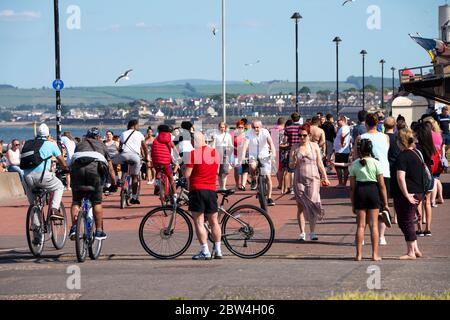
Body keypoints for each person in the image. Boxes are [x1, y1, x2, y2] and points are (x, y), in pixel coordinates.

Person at [69, 128, 117, 241]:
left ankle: (75, 228)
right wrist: (114, 183)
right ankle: (99, 231)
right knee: (96, 202)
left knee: (76, 201)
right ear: (98, 137)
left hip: (78, 171)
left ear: (87, 136)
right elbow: (110, 168)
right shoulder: (102, 145)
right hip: (94, 171)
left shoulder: (79, 144)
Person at [355, 113, 392, 246]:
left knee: (363, 208)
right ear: (378, 124)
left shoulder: (361, 137)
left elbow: (355, 155)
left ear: (366, 123)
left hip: (365, 173)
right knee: (381, 206)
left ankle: (362, 237)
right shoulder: (385, 137)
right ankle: (381, 237)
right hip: (383, 171)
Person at [289, 123, 330, 241]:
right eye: (299, 136)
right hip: (299, 179)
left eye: (304, 135)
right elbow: (290, 164)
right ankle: (302, 233)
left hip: (313, 179)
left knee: (313, 204)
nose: (301, 138)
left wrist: (325, 177)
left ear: (309, 135)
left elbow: (320, 163)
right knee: (300, 206)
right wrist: (294, 162)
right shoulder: (295, 147)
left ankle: (312, 232)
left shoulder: (314, 146)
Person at [350, 139, 388, 261]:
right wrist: (385, 203)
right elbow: (382, 185)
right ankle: (374, 254)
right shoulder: (376, 163)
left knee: (360, 225)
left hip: (360, 192)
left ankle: (358, 254)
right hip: (373, 191)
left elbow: (352, 187)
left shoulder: (355, 164)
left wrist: (353, 203)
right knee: (374, 225)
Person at [184, 132, 221, 260]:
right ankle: (218, 249)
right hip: (211, 190)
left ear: (195, 141)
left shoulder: (194, 154)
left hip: (197, 190)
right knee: (214, 222)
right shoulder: (215, 153)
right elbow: (217, 171)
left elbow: (187, 174)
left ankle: (205, 250)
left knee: (199, 222)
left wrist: (184, 170)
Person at [23, 124, 69, 220]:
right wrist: (67, 169)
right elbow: (62, 162)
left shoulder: (28, 144)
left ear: (36, 136)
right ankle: (54, 209)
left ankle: (37, 230)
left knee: (34, 204)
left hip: (26, 178)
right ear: (48, 135)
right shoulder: (51, 144)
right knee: (59, 186)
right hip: (42, 176)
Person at [392, 128, 425, 260]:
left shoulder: (403, 156)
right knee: (409, 220)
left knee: (405, 221)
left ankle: (411, 251)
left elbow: (401, 177)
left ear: (400, 141)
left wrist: (406, 194)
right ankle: (415, 249)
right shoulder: (417, 153)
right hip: (418, 190)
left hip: (408, 193)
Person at [242, 120, 277, 206]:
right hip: (253, 155)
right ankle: (254, 179)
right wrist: (243, 156)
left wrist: (273, 154)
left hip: (264, 155)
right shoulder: (249, 133)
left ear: (261, 127)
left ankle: (269, 198)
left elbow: (271, 143)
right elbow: (245, 145)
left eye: (257, 127)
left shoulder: (265, 132)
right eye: (254, 127)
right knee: (252, 166)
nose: (256, 129)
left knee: (268, 177)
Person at [117, 120, 149, 205]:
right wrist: (146, 158)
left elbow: (120, 147)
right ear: (135, 125)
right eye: (138, 125)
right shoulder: (139, 134)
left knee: (124, 171)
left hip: (124, 156)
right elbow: (145, 148)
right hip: (135, 157)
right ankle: (134, 197)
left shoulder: (123, 133)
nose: (139, 127)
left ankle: (122, 185)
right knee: (134, 177)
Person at [413, 122, 436, 237]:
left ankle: (419, 228)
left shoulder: (416, 147)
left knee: (418, 202)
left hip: (418, 177)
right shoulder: (430, 146)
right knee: (427, 202)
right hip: (429, 176)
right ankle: (428, 228)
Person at [423, 117, 445, 207]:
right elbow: (441, 147)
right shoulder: (438, 134)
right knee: (436, 179)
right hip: (439, 158)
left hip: (432, 158)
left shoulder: (428, 135)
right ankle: (440, 197)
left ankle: (432, 200)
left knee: (433, 180)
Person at [151, 124, 177, 195]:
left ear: (159, 131)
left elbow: (152, 151)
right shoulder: (169, 140)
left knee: (157, 171)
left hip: (156, 162)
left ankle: (157, 185)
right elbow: (175, 149)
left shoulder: (155, 140)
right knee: (170, 177)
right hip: (166, 162)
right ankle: (175, 195)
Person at [385, 117, 401, 224]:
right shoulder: (397, 138)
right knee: (396, 193)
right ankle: (396, 217)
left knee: (384, 192)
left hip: (384, 166)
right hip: (396, 166)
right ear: (394, 125)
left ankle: (386, 213)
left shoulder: (382, 137)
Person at [283, 112, 302, 194]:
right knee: (301, 169)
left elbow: (285, 140)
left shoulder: (288, 128)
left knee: (291, 170)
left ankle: (292, 188)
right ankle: (300, 187)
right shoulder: (302, 128)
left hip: (291, 150)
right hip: (301, 149)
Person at [212, 122, 233, 190]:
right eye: (221, 127)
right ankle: (221, 187)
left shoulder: (228, 135)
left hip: (225, 153)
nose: (222, 128)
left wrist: (231, 150)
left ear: (225, 128)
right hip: (217, 152)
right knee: (219, 172)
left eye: (223, 127)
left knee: (225, 171)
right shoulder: (216, 135)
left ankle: (223, 186)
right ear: (219, 127)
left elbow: (230, 145)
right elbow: (214, 144)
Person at [333, 116, 351, 186]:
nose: (337, 122)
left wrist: (342, 142)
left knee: (339, 167)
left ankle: (342, 183)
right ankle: (342, 183)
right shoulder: (343, 128)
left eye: (338, 120)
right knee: (342, 167)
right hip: (342, 150)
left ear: (342, 120)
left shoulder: (344, 128)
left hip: (341, 151)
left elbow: (343, 135)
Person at [270, 117, 286, 190]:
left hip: (274, 150)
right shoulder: (284, 130)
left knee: (277, 168)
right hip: (283, 150)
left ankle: (280, 183)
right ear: (283, 123)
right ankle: (282, 183)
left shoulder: (272, 130)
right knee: (282, 168)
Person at [232, 121, 248, 191]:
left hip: (244, 154)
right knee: (236, 169)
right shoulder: (233, 134)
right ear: (237, 127)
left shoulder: (247, 135)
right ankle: (237, 184)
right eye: (239, 127)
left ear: (244, 128)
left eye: (242, 127)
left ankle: (243, 185)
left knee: (244, 170)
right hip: (236, 154)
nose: (241, 129)